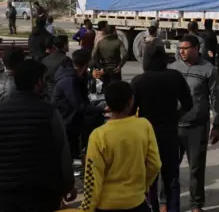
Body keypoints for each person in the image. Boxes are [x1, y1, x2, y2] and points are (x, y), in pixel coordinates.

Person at [0, 59, 76, 211]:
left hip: (5, 193)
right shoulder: (49, 113)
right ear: (38, 82)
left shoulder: (2, 109)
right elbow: (62, 151)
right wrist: (67, 184)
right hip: (41, 192)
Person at [80, 81, 161, 212]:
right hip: (136, 201)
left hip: (106, 205)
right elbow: (155, 164)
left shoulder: (98, 135)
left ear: (107, 104)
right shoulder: (144, 126)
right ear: (131, 101)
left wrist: (86, 209)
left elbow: (92, 179)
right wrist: (143, 186)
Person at [131, 43, 193, 212]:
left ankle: (153, 208)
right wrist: (176, 116)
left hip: (147, 135)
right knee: (172, 177)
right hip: (170, 133)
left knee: (150, 179)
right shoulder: (175, 76)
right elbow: (188, 103)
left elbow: (130, 110)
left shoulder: (138, 81)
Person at [170, 34, 219, 212]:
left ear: (196, 49)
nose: (181, 52)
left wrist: (216, 125)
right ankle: (167, 203)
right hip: (175, 126)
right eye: (180, 49)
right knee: (169, 168)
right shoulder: (173, 68)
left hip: (197, 127)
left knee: (196, 169)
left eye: (185, 48)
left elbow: (216, 98)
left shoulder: (208, 69)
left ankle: (196, 204)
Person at [52, 48, 106, 160]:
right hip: (67, 118)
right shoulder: (69, 80)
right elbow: (80, 105)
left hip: (70, 116)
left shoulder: (71, 73)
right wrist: (102, 109)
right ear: (85, 64)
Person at [42, 34, 72, 99]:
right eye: (67, 43)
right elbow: (69, 79)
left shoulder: (45, 59)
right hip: (60, 93)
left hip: (47, 91)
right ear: (64, 45)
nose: (68, 46)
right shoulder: (66, 60)